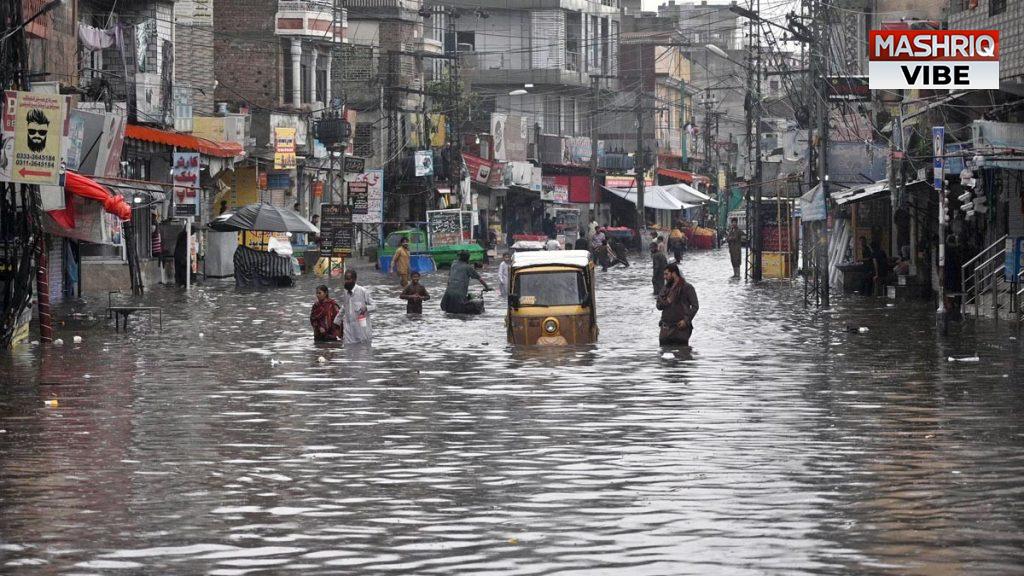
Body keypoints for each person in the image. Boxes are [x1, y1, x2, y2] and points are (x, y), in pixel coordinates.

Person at [656, 263, 699, 346]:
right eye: (664, 274)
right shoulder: (665, 288)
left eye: (666, 274)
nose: (664, 277)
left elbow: (695, 306)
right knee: (664, 355)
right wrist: (667, 301)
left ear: (674, 273)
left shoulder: (687, 287)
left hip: (680, 330)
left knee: (682, 355)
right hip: (665, 329)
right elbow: (658, 305)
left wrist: (686, 321)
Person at [334, 270, 375, 344]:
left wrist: (366, 308)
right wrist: (337, 321)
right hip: (348, 330)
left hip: (362, 329)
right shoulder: (345, 292)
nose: (346, 281)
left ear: (355, 279)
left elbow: (374, 306)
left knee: (363, 351)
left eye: (349, 279)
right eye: (345, 279)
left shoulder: (363, 291)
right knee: (348, 351)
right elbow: (344, 307)